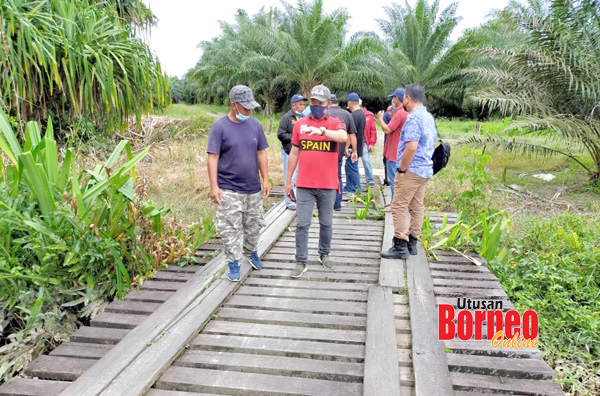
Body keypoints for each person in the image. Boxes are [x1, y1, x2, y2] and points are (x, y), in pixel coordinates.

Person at [207, 85, 271, 282]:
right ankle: (233, 263)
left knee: (253, 225)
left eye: (251, 108)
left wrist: (266, 179)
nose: (249, 111)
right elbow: (212, 157)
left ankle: (250, 252)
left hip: (252, 187)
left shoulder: (255, 125)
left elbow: (261, 153)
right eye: (245, 108)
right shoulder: (219, 127)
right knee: (230, 227)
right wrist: (214, 186)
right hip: (229, 187)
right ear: (234, 105)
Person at [285, 85, 348, 278]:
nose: (315, 106)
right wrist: (288, 181)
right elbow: (294, 152)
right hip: (304, 184)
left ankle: (324, 253)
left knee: (326, 223)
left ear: (328, 104)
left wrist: (322, 132)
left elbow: (343, 137)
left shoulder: (335, 122)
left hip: (328, 184)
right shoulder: (300, 124)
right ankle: (300, 260)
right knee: (302, 224)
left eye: (320, 103)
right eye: (313, 102)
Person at [381, 84, 437, 259]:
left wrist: (402, 169)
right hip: (425, 170)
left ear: (407, 98)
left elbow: (411, 146)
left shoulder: (413, 118)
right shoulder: (428, 117)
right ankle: (413, 242)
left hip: (411, 170)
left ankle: (400, 245)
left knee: (398, 206)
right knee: (416, 206)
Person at [377, 88, 408, 209]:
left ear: (397, 99)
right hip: (399, 151)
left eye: (393, 98)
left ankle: (395, 205)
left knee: (393, 180)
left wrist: (380, 117)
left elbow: (387, 129)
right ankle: (396, 202)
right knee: (398, 180)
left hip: (393, 152)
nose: (392, 101)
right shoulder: (404, 113)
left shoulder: (400, 113)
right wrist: (392, 115)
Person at [328, 93, 357, 211]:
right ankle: (337, 204)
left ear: (328, 103)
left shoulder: (325, 114)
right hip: (338, 152)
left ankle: (325, 204)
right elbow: (352, 134)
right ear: (338, 103)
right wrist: (353, 150)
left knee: (324, 177)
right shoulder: (347, 114)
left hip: (324, 151)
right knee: (337, 176)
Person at [277, 94, 305, 210]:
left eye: (304, 105)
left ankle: (296, 199)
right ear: (293, 105)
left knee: (298, 177)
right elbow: (280, 134)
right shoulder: (287, 118)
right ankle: (289, 202)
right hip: (289, 151)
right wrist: (294, 137)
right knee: (290, 177)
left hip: (301, 152)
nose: (302, 107)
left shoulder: (303, 117)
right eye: (300, 104)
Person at [344, 92, 364, 194]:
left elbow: (350, 134)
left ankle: (357, 190)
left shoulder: (354, 116)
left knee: (353, 168)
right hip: (359, 145)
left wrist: (346, 147)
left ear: (350, 102)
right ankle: (349, 187)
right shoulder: (361, 113)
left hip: (353, 147)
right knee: (348, 167)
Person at [359, 100, 376, 186]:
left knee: (366, 161)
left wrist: (371, 143)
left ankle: (370, 180)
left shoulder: (369, 115)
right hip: (355, 143)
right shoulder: (352, 114)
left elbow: (373, 130)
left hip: (364, 143)